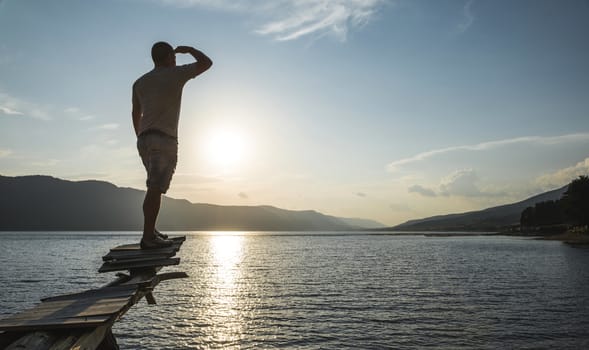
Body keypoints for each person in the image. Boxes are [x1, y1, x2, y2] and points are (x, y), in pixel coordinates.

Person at [132, 42, 212, 249]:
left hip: (144, 140)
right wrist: (191, 50)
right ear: (169, 57)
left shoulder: (140, 83)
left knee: (153, 187)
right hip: (163, 139)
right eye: (174, 57)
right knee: (155, 188)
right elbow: (206, 63)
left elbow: (135, 112)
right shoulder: (175, 74)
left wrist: (140, 136)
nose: (176, 60)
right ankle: (148, 238)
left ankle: (151, 231)